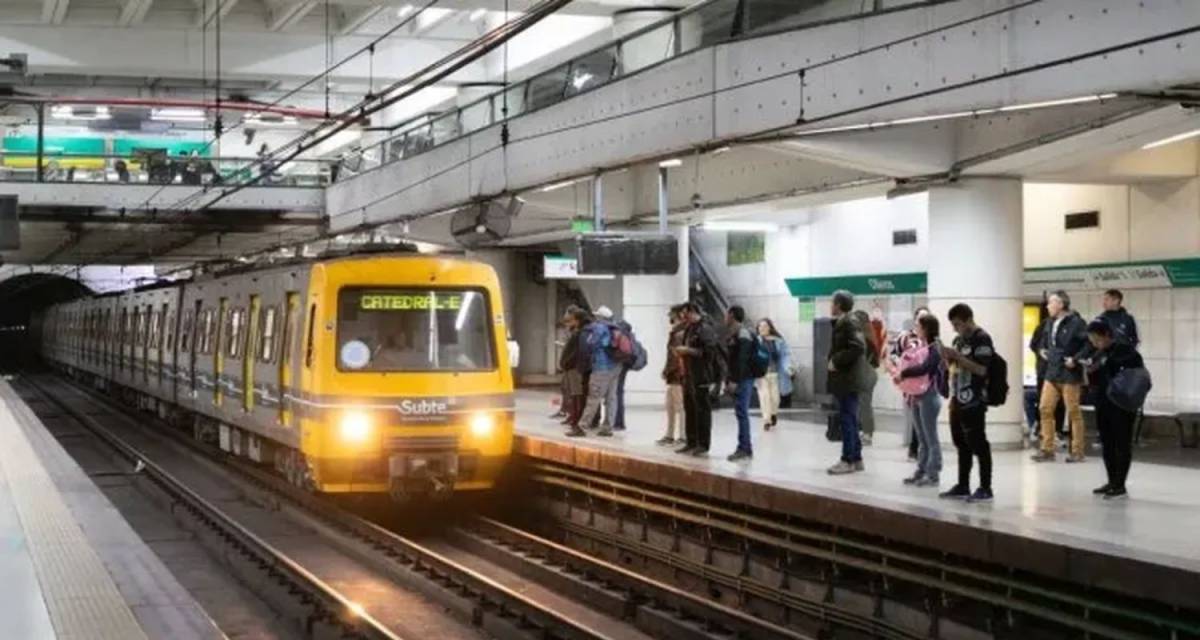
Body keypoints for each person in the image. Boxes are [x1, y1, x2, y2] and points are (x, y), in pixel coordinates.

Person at [939, 303, 995, 503]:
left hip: (974, 399)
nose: (955, 329)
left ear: (968, 320)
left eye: (957, 324)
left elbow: (982, 370)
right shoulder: (959, 340)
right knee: (961, 442)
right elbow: (956, 366)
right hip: (958, 397)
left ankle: (985, 487)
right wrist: (948, 358)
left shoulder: (982, 339)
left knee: (978, 442)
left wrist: (958, 357)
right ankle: (963, 484)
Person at [1084, 319, 1144, 500]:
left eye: (1096, 338)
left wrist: (1105, 363)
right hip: (1103, 403)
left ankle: (1120, 484)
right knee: (1107, 443)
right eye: (1092, 339)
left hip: (1122, 404)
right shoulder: (1098, 353)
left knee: (1122, 443)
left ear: (1107, 335)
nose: (1094, 343)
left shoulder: (1125, 351)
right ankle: (1111, 480)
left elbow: (1135, 376)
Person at [1031, 291, 1090, 463]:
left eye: (1051, 303)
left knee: (1073, 412)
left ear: (1061, 304)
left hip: (1069, 374)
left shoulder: (1077, 323)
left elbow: (1088, 343)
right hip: (1052, 371)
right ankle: (1047, 448)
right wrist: (1042, 349)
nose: (1048, 306)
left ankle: (1078, 451)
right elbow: (1043, 341)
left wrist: (1076, 359)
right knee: (1044, 408)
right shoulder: (1049, 322)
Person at [894, 314, 944, 487]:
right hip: (917, 395)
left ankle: (933, 474)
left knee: (931, 438)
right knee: (922, 438)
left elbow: (926, 368)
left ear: (927, 328)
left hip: (929, 396)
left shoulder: (936, 347)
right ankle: (921, 471)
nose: (915, 329)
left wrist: (904, 374)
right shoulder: (922, 346)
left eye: (918, 326)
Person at [826, 290, 867, 475]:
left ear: (839, 304)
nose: (830, 305)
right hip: (846, 379)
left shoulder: (849, 322)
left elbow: (858, 347)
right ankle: (857, 458)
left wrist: (836, 359)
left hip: (848, 379)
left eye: (832, 302)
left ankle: (847, 459)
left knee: (848, 419)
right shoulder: (844, 321)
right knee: (849, 417)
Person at [674, 302, 719, 457]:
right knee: (690, 408)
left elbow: (709, 353)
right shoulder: (689, 328)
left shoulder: (705, 329)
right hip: (688, 374)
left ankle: (703, 444)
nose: (683, 317)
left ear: (694, 312)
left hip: (701, 375)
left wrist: (689, 350)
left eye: (686, 314)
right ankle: (691, 441)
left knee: (702, 410)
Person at [566, 308, 619, 438]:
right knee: (611, 398)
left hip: (601, 367)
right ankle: (607, 427)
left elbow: (591, 344)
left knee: (593, 397)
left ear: (601, 317)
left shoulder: (599, 329)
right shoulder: (615, 328)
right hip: (615, 367)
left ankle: (582, 426)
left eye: (597, 316)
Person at [890, 307, 932, 460]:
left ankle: (919, 449)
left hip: (927, 383)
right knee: (917, 416)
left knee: (923, 417)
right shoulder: (905, 337)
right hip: (911, 384)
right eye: (921, 318)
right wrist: (900, 369)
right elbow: (894, 354)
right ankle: (915, 448)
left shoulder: (931, 339)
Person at [724, 306, 756, 462]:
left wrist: (735, 380)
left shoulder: (743, 333)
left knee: (742, 413)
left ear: (732, 315)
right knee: (740, 412)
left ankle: (744, 448)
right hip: (740, 378)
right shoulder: (736, 333)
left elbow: (742, 360)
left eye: (727, 314)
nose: (725, 317)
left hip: (744, 379)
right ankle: (745, 447)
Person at [755, 318, 792, 431]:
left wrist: (788, 367)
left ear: (770, 328)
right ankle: (766, 420)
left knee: (775, 398)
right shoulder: (755, 342)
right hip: (761, 374)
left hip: (775, 374)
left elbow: (785, 355)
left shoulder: (778, 341)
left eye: (765, 326)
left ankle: (773, 414)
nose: (762, 329)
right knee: (764, 397)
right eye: (760, 327)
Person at [852, 308, 882, 446]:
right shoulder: (869, 336)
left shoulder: (860, 338)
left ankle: (867, 434)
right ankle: (866, 432)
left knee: (864, 405)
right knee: (864, 405)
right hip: (869, 373)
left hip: (864, 374)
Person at [659, 304, 687, 445]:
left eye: (671, 313)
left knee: (680, 406)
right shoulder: (676, 331)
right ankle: (670, 434)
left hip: (678, 374)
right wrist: (666, 369)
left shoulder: (682, 332)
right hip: (672, 373)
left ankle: (682, 436)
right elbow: (671, 354)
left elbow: (677, 355)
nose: (669, 316)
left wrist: (670, 369)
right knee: (670, 405)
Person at [558, 307, 588, 429]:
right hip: (572, 367)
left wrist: (567, 363)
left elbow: (576, 352)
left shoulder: (579, 334)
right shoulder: (577, 332)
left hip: (574, 368)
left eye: (572, 320)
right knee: (573, 393)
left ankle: (576, 420)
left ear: (577, 320)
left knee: (576, 394)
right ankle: (573, 417)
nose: (570, 322)